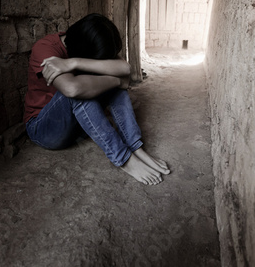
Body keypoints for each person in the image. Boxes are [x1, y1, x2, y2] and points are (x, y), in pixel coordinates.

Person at [23, 13, 170, 185]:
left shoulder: (89, 40)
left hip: (79, 125)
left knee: (105, 85)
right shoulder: (45, 49)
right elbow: (72, 89)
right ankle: (124, 159)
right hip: (45, 129)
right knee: (81, 90)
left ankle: (135, 147)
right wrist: (117, 81)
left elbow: (124, 67)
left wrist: (74, 63)